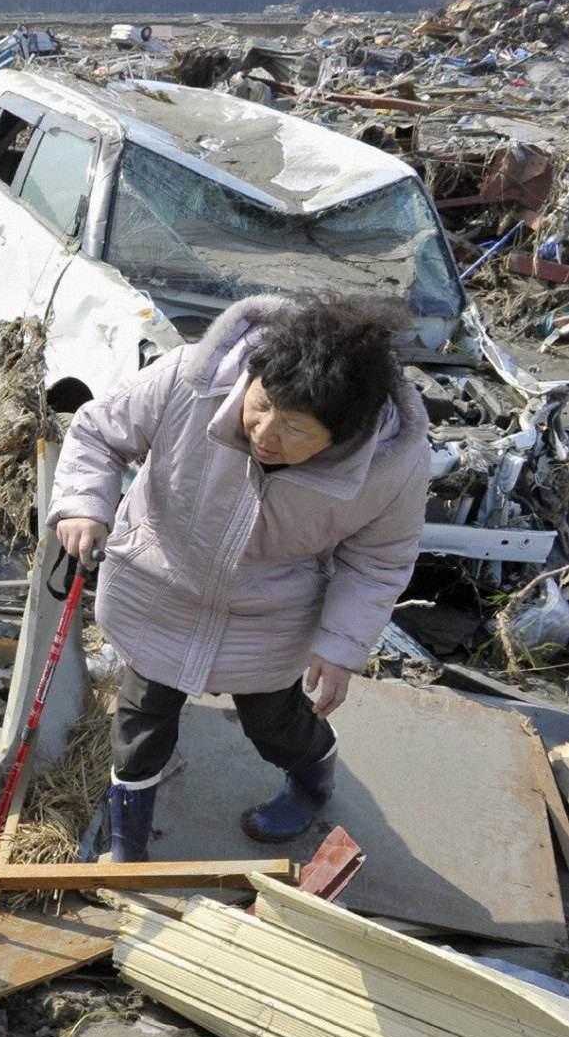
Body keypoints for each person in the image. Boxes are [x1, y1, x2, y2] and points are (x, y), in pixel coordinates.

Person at [46, 294, 429, 861]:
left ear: (342, 435)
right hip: (159, 590)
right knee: (140, 726)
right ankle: (128, 843)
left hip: (270, 617)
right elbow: (99, 433)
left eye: (296, 428)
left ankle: (312, 781)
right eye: (264, 403)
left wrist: (342, 645)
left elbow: (378, 560)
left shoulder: (391, 465)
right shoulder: (189, 380)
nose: (267, 432)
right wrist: (84, 504)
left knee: (276, 727)